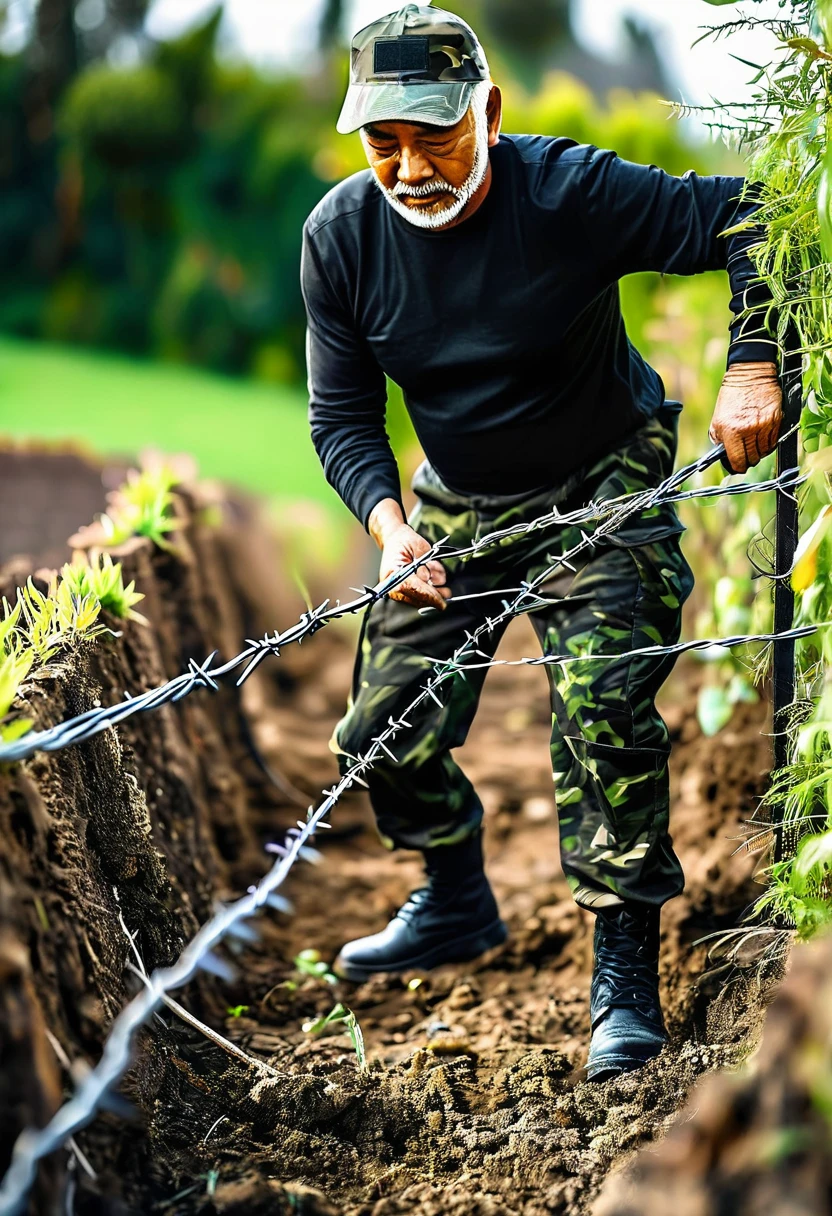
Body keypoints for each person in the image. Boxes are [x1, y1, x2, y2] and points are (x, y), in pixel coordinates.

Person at [301, 3, 782, 1080]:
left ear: (489, 110)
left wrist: (754, 363)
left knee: (602, 704)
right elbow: (339, 416)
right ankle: (454, 897)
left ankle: (624, 973)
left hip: (599, 485)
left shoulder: (567, 193)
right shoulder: (340, 238)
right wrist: (391, 529)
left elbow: (751, 216)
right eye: (385, 141)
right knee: (383, 729)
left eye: (436, 134)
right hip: (455, 504)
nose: (411, 166)